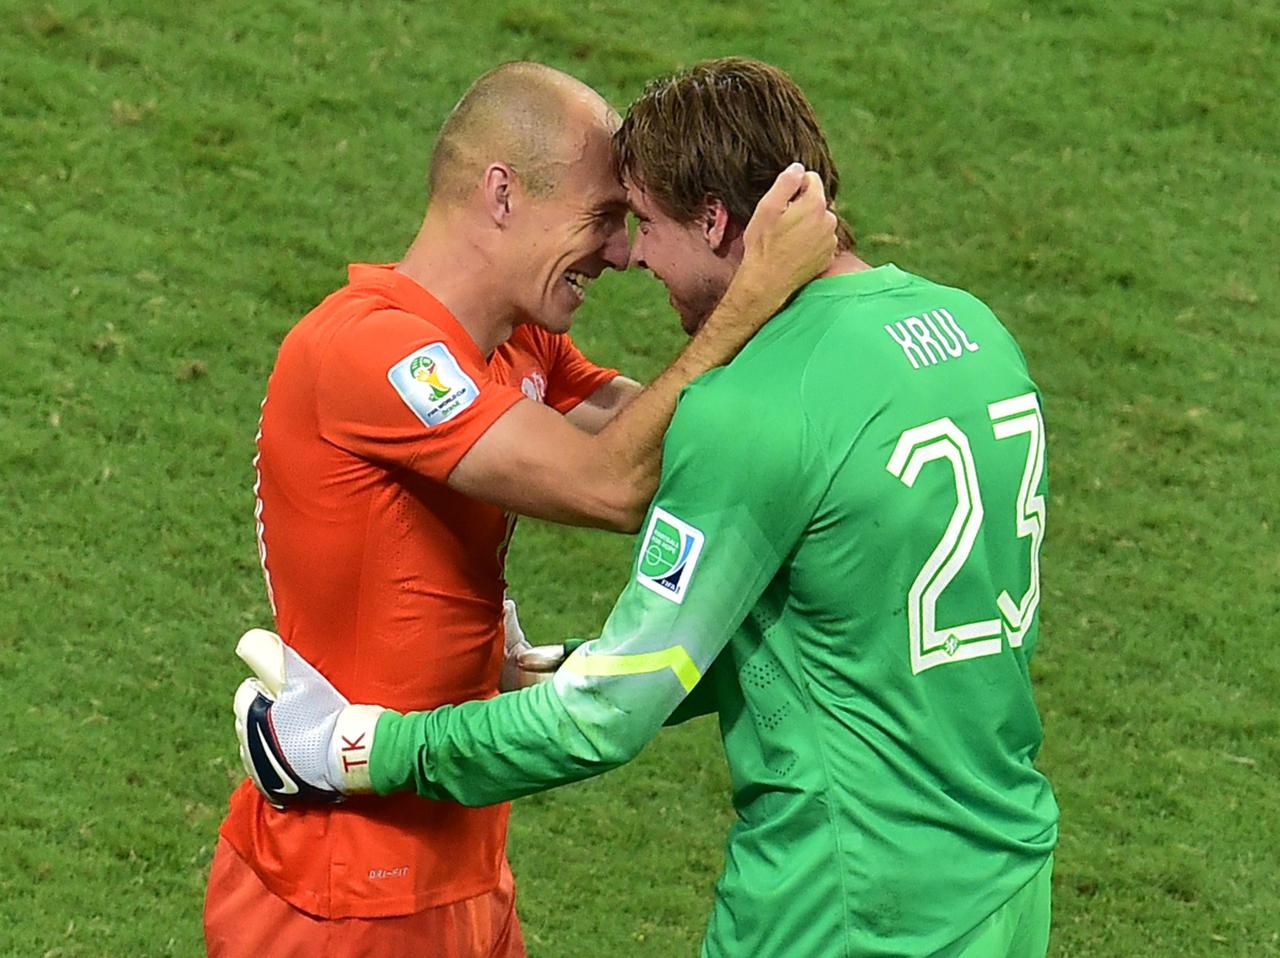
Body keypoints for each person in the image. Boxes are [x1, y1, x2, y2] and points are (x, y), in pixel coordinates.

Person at [232, 58, 1058, 958]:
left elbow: (647, 479)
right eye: (605, 219)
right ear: (502, 194)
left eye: (641, 223)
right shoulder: (972, 332)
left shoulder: (628, 376)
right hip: (997, 874)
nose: (626, 254)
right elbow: (655, 469)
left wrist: (355, 748)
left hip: (838, 905)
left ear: (714, 221)